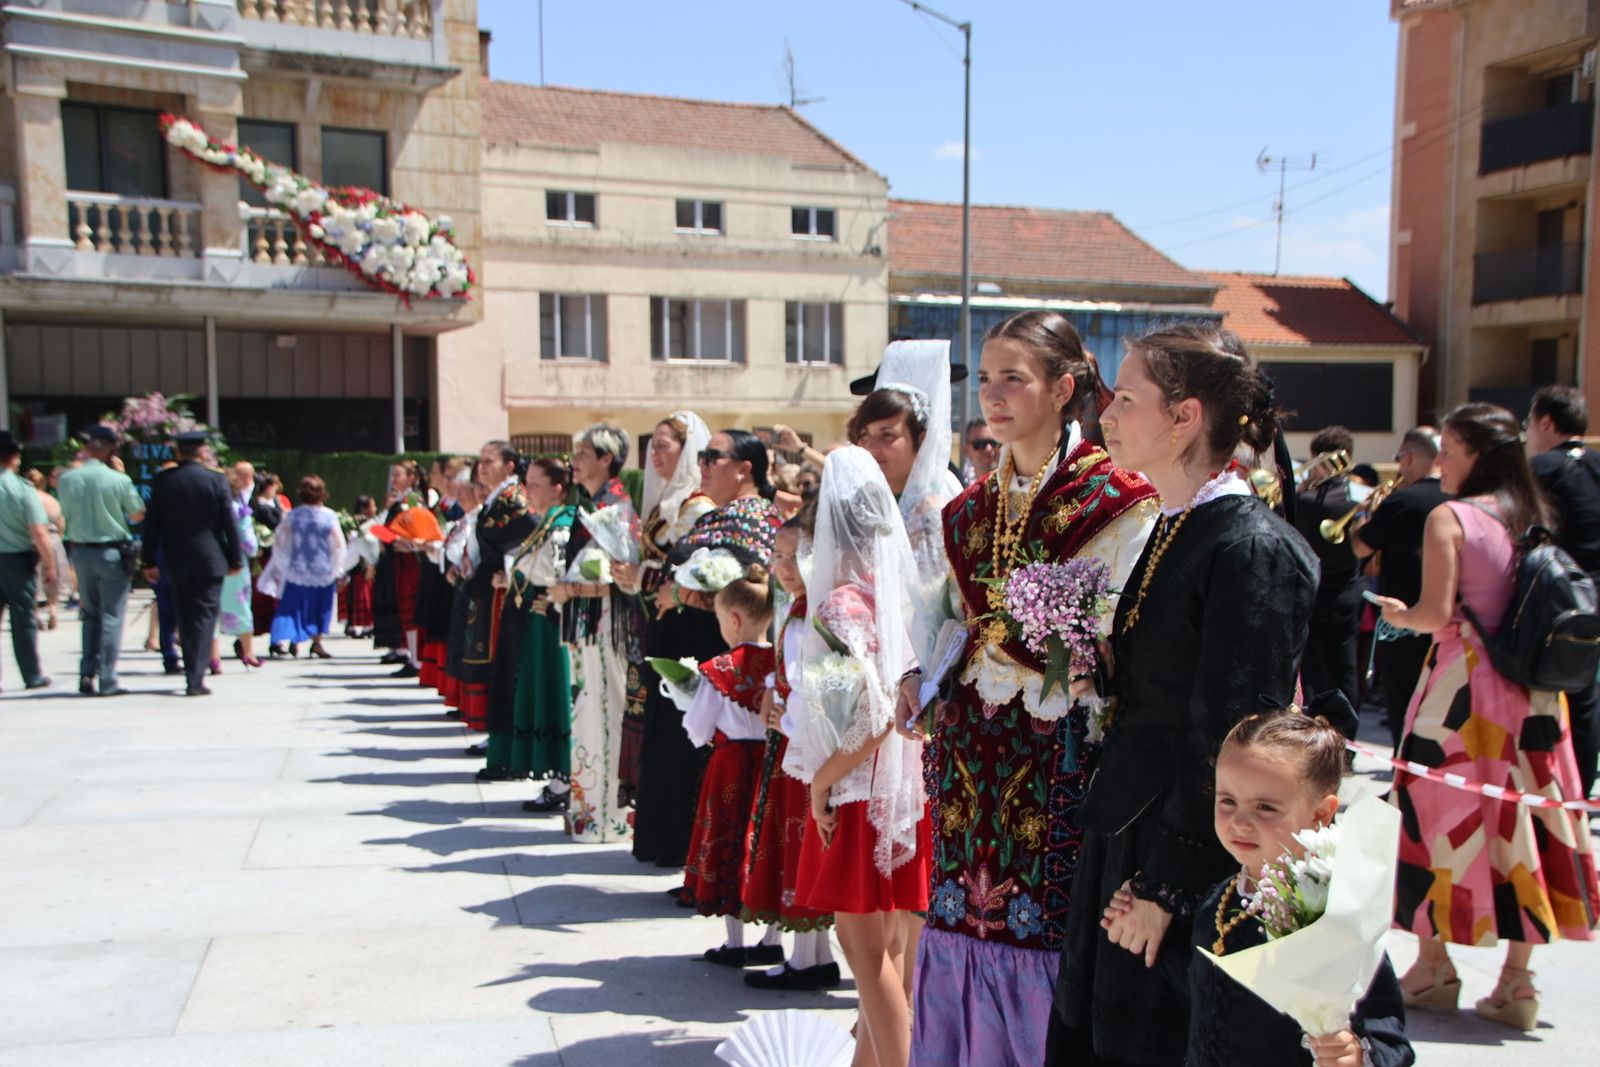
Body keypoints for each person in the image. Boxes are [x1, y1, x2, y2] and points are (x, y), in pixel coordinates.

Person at [1049, 323, 1319, 1066]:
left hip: (1179, 853)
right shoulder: (1176, 526)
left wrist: (1167, 886)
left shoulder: (1250, 548)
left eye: (1127, 398)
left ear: (1185, 416)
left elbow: (1234, 738)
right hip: (1131, 828)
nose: (1106, 413)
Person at [900, 313, 1156, 1066]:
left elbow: (1118, 632)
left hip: (1057, 745)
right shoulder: (969, 506)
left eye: (1014, 377)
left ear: (1064, 386)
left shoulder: (1116, 497)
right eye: (985, 377)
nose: (994, 394)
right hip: (968, 743)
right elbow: (946, 614)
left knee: (1040, 919)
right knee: (959, 912)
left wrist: (1070, 646)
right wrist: (920, 671)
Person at [1372, 403, 1599, 1033]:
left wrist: (1397, 613)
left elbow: (1434, 612)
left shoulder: (1451, 517)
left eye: (1447, 449)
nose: (1437, 460)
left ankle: (1434, 964)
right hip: (1532, 698)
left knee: (1434, 816)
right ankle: (1517, 981)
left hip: (1463, 691)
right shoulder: (1531, 515)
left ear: (1476, 454)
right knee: (1527, 821)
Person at [1102, 708, 1413, 1067]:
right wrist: (1144, 936)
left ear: (1320, 813)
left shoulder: (1331, 919)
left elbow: (1388, 1033)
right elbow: (1207, 980)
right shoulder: (1223, 896)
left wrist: (1357, 1054)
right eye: (1228, 801)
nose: (1240, 822)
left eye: (1265, 807)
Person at [788, 445, 928, 1067]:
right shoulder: (900, 597)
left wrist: (821, 783)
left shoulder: (843, 604)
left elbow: (873, 718)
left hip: (860, 791)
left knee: (865, 958)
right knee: (891, 950)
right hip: (906, 792)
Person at [629, 424, 784, 870]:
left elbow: (749, 594)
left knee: (698, 762)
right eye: (700, 457)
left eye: (712, 457)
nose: (702, 466)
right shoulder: (718, 513)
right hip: (687, 649)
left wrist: (679, 596)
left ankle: (704, 865)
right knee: (676, 758)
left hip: (715, 655)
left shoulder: (757, 520)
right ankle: (677, 848)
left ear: (743, 468)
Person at [743, 513, 839, 990]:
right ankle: (812, 953)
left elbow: (823, 687)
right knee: (797, 844)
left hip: (812, 748)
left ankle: (809, 956)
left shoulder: (820, 614)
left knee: (807, 844)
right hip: (797, 744)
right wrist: (770, 688)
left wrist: (791, 719)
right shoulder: (800, 607)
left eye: (794, 556)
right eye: (777, 556)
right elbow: (790, 670)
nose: (783, 566)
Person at [612, 412, 716, 817]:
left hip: (686, 627)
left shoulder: (697, 507)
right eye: (651, 445)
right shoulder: (665, 503)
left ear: (686, 449)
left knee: (677, 730)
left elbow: (695, 573)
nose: (654, 453)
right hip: (660, 623)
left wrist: (644, 577)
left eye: (663, 444)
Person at [543, 424, 642, 841]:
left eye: (584, 453)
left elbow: (621, 575)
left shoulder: (617, 506)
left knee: (606, 715)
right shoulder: (596, 504)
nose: (574, 461)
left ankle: (606, 818)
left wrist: (568, 587)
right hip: (585, 624)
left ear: (606, 458)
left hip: (605, 624)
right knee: (586, 713)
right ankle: (589, 812)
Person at [680, 563, 781, 964]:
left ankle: (735, 942)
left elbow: (697, 728)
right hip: (772, 764)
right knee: (766, 845)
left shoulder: (721, 669)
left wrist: (682, 698)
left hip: (730, 765)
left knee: (726, 840)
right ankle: (773, 939)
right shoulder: (782, 660)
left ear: (734, 620)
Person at [1352, 428, 1450, 749]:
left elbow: (1361, 548)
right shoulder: (1461, 498)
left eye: (1398, 459)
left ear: (1408, 458)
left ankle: (1405, 777)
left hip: (1403, 621)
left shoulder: (1402, 500)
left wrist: (1361, 518)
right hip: (1450, 626)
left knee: (1405, 707)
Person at [1525, 385, 1600, 797]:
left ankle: (1564, 790)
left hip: (1565, 600)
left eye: (1530, 424)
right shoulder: (1597, 465)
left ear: (1546, 423)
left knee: (1564, 695)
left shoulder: (1543, 469)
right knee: (1588, 699)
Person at [485, 458, 576, 784]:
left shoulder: (562, 521)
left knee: (546, 692)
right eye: (527, 483)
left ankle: (558, 774)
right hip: (527, 614)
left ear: (558, 489)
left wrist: (518, 574)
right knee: (521, 687)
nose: (528, 491)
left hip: (545, 617)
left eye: (535, 485)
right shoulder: (544, 521)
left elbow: (555, 568)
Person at [140, 431, 243, 697]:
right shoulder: (215, 480)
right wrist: (235, 558)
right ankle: (196, 677)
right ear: (202, 452)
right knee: (205, 615)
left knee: (184, 616)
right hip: (210, 559)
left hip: (175, 558)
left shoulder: (163, 481)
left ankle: (191, 670)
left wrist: (149, 559)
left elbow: (152, 524)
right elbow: (228, 524)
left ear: (178, 452)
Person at [57, 424, 145, 697]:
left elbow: (64, 515)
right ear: (108, 449)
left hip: (81, 553)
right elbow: (138, 514)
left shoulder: (67, 479)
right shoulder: (119, 480)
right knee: (111, 616)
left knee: (90, 615)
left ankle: (86, 673)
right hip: (111, 552)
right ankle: (108, 679)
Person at [457, 443, 533, 734]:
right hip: (488, 589)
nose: (482, 466)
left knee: (502, 659)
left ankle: (505, 731)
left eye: (490, 461)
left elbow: (529, 536)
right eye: (481, 461)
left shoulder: (514, 499)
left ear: (510, 467)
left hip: (503, 591)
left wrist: (511, 569)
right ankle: (495, 729)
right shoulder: (496, 498)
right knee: (490, 659)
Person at [1294, 425, 1363, 711]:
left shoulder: (1304, 500)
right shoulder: (1358, 496)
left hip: (1312, 589)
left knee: (1311, 666)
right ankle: (1347, 733)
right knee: (1344, 665)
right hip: (1347, 590)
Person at [263, 476, 347, 660]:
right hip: (322, 568)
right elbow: (339, 543)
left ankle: (295, 640)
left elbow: (281, 540)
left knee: (295, 606)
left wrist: (282, 562)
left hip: (297, 568)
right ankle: (316, 643)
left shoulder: (292, 515)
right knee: (320, 607)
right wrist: (338, 566)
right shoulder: (329, 516)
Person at [0, 431, 56, 692]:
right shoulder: (21, 488)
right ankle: (31, 675)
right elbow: (38, 531)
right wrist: (50, 565)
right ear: (13, 457)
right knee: (23, 619)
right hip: (16, 561)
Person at [219, 463, 261, 668]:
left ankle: (213, 657)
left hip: (213, 562)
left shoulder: (209, 509)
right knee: (242, 606)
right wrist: (255, 550)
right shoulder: (240, 510)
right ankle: (248, 651)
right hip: (236, 564)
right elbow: (249, 542)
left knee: (211, 609)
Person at [23, 469, 68, 633]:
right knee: (52, 578)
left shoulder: (25, 500)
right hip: (53, 538)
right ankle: (53, 609)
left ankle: (35, 614)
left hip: (32, 540)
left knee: (33, 579)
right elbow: (61, 523)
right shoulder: (52, 500)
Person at [340, 494, 380, 639]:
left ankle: (361, 624)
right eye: (372, 506)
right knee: (359, 595)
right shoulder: (356, 524)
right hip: (359, 564)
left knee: (362, 594)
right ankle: (358, 624)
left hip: (362, 564)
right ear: (364, 509)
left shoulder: (373, 523)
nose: (375, 509)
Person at [960, 416, 999, 485]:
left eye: (993, 443)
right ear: (966, 450)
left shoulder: (1013, 486)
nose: (988, 448)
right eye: (979, 444)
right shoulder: (960, 488)